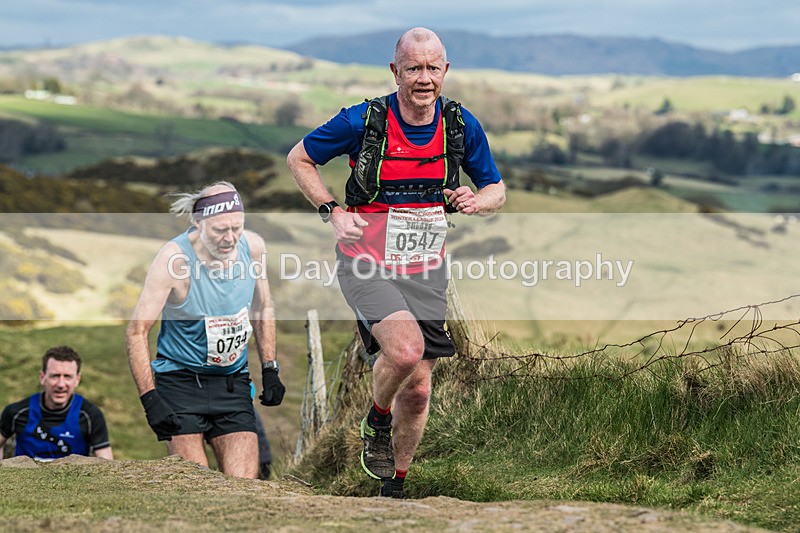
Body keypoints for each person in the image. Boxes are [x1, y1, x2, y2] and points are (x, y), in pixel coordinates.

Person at [287, 27, 505, 498]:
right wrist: (333, 211)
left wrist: (477, 200)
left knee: (419, 388)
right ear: (395, 71)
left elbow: (496, 189)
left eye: (432, 68)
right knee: (405, 352)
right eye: (413, 68)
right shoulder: (362, 121)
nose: (424, 78)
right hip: (365, 261)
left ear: (445, 70)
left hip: (425, 267)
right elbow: (299, 158)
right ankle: (376, 419)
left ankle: (395, 487)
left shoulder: (460, 125)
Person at [126, 181, 284, 479]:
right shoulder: (173, 260)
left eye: (237, 228)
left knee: (243, 486)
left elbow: (263, 307)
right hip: (179, 383)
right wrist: (150, 400)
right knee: (196, 483)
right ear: (198, 224)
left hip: (231, 383)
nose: (230, 238)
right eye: (220, 230)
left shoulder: (253, 248)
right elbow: (137, 330)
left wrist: (270, 368)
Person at [0, 346, 113, 461]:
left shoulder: (91, 416)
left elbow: (107, 463)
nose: (61, 384)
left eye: (67, 377)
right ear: (43, 377)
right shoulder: (16, 412)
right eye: (55, 376)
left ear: (77, 380)